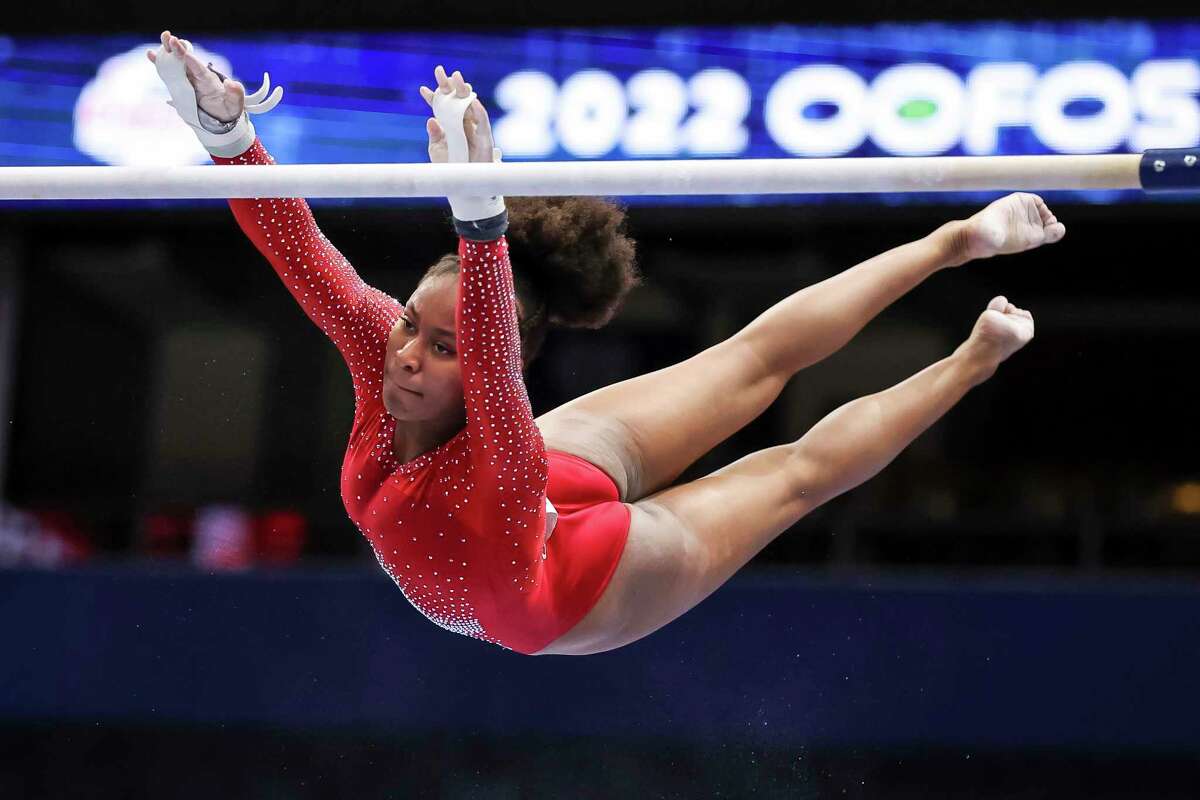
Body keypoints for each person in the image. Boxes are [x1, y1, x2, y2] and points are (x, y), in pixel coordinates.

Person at [148, 31, 1065, 656]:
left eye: (441, 346)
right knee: (774, 433)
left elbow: (496, 359)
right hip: (542, 543)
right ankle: (971, 342)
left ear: (486, 372)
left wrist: (480, 218)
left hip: (578, 576)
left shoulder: (505, 440)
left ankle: (956, 250)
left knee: (770, 413)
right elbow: (306, 257)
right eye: (405, 329)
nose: (406, 355)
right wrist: (228, 138)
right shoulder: (387, 362)